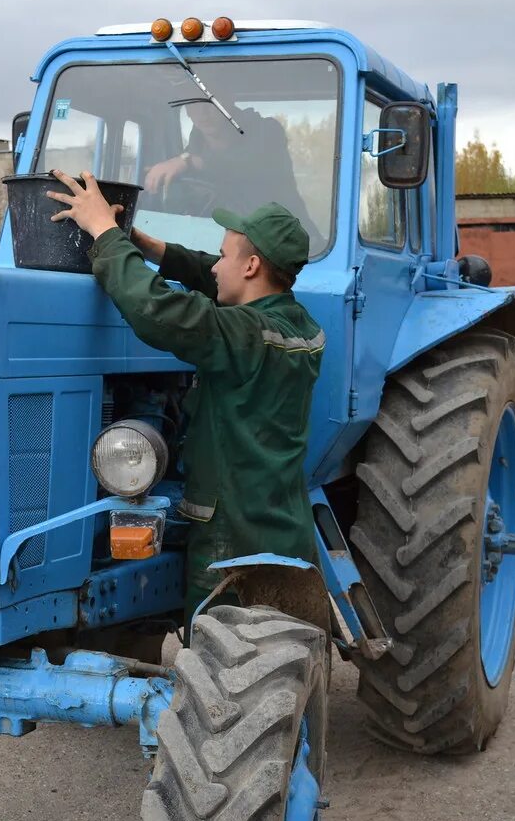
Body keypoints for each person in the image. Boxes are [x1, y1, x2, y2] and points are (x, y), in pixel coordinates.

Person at [45, 169, 323, 612]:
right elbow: (213, 279)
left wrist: (104, 234)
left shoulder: (243, 334)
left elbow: (160, 310)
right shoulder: (300, 326)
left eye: (223, 255)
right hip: (279, 518)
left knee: (220, 643)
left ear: (251, 266)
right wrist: (145, 244)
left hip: (232, 537)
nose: (213, 265)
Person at [142, 99, 316, 237]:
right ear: (187, 111)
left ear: (228, 100)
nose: (203, 112)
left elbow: (249, 165)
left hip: (285, 237)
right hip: (229, 240)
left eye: (210, 101)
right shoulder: (196, 144)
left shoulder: (268, 131)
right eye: (193, 104)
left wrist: (188, 162)